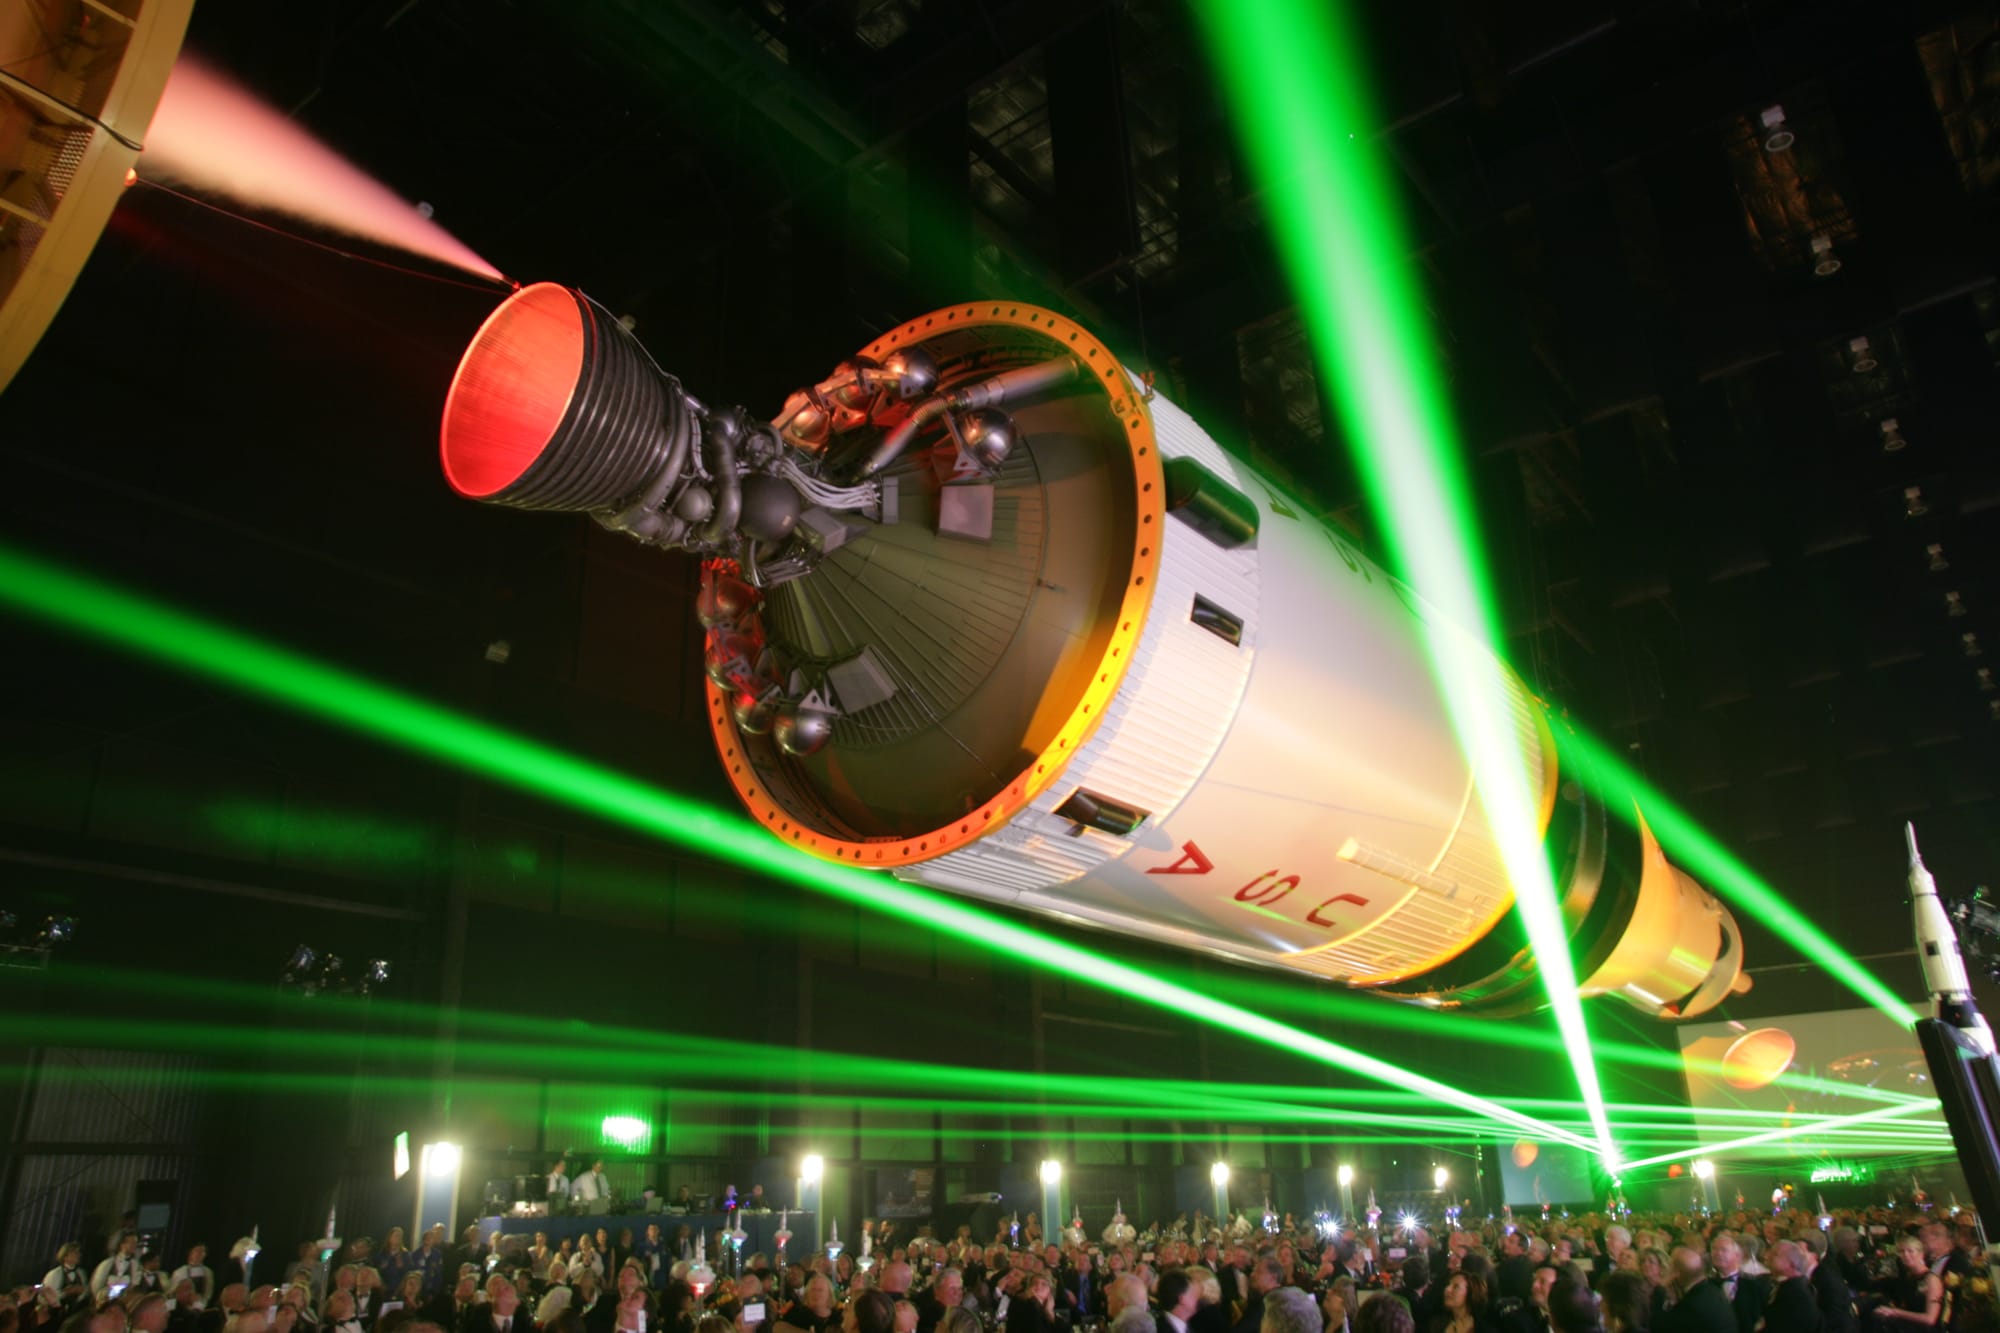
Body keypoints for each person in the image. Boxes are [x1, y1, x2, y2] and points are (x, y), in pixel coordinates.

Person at [1874, 1240, 1943, 1332]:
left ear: (1921, 1254)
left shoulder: (1931, 1279)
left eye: (1910, 1251)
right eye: (1902, 1252)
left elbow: (1930, 1319)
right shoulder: (1907, 1277)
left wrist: (1895, 1312)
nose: (1906, 1255)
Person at [1655, 1250, 1732, 1333]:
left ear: (1676, 1273)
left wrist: (1661, 1289)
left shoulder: (1690, 1306)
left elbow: (1660, 1328)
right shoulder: (1715, 1291)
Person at [1708, 1238, 1769, 1333]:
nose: (1718, 1253)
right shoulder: (1708, 1285)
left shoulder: (1754, 1284)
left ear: (1737, 1256)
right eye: (1714, 1249)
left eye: (1724, 1250)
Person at [1427, 1273, 1497, 1333]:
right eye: (1448, 1284)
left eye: (1456, 1286)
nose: (1447, 1289)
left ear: (1470, 1293)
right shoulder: (1436, 1325)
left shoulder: (1484, 1330)